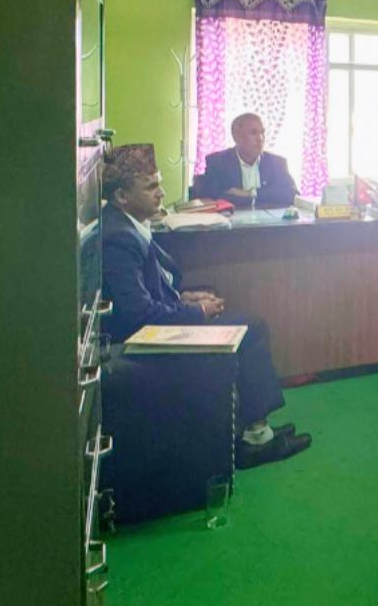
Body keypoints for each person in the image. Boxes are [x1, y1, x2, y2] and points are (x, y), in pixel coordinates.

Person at [101, 144, 311, 468]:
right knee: (251, 329)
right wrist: (196, 312)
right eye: (151, 187)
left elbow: (147, 291)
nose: (162, 193)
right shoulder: (119, 238)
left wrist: (184, 298)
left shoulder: (128, 223)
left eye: (159, 183)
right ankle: (257, 439)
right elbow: (138, 314)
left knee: (237, 317)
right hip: (141, 342)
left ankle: (252, 427)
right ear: (121, 196)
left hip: (154, 323)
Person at [196, 112, 298, 208]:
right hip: (232, 219)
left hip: (271, 220)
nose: (260, 138)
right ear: (236, 136)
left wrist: (251, 193)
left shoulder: (277, 163)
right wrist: (266, 195)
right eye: (253, 133)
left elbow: (291, 194)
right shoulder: (218, 162)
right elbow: (210, 196)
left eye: (262, 132)